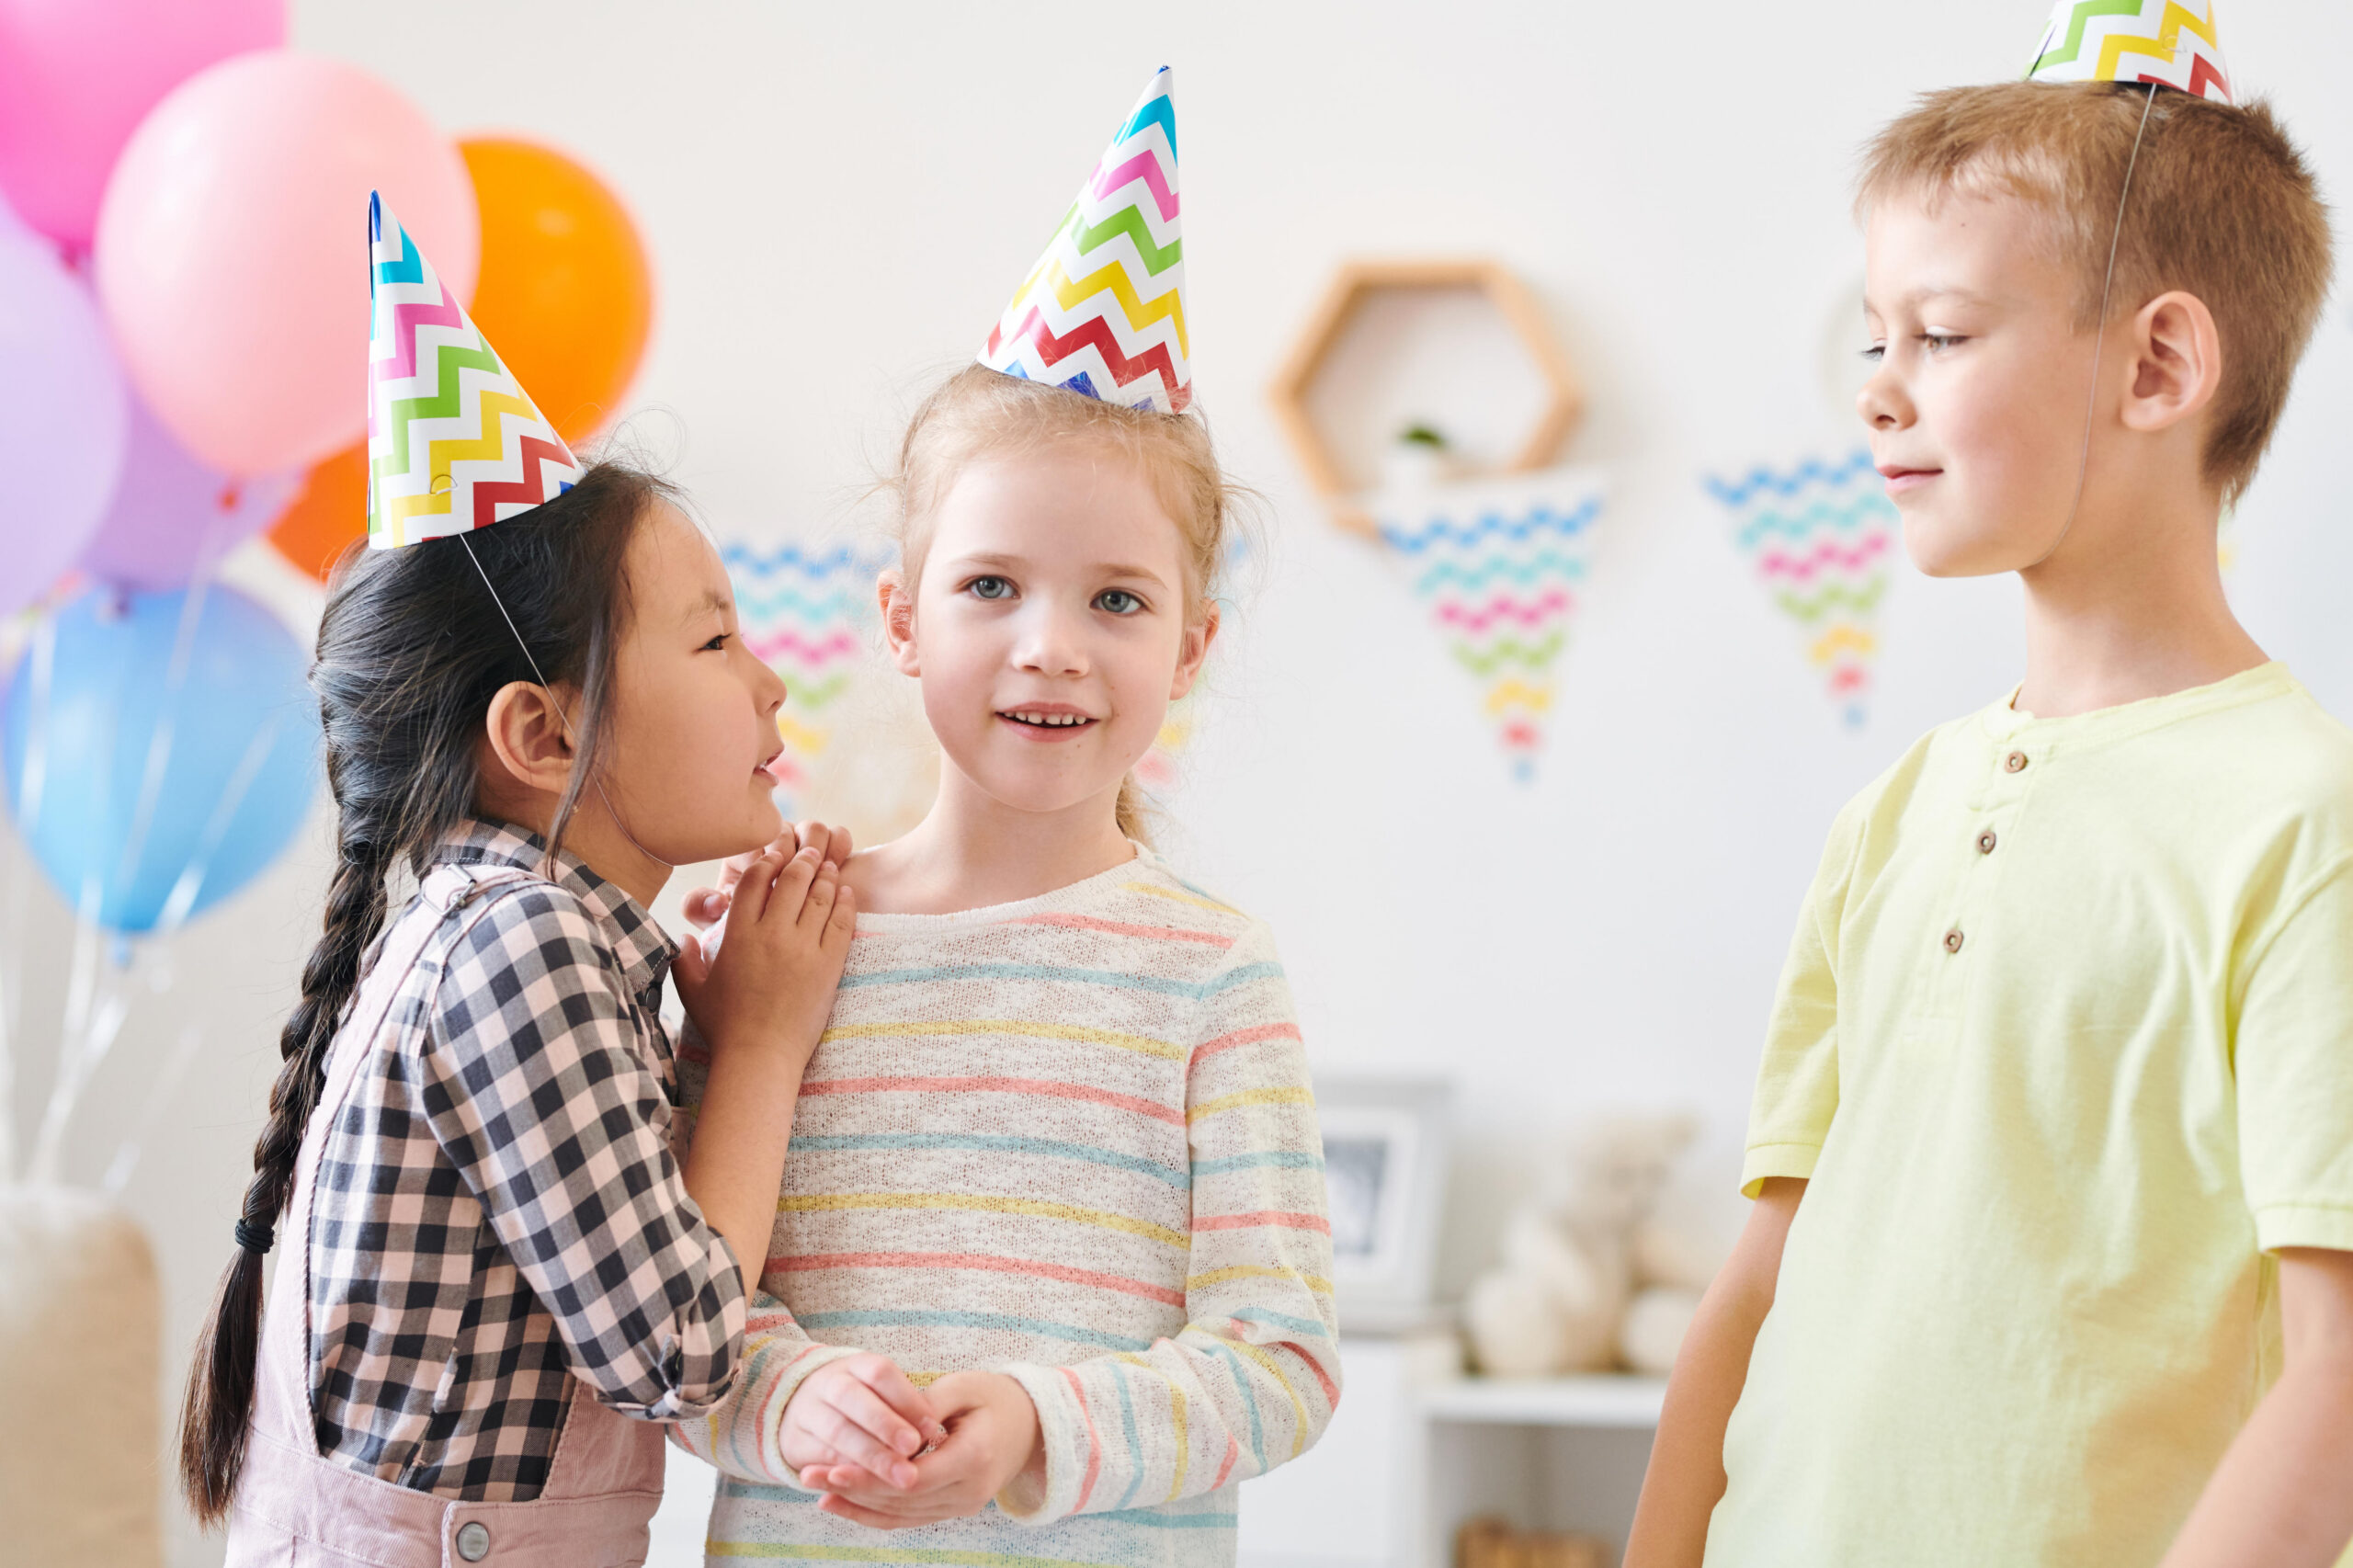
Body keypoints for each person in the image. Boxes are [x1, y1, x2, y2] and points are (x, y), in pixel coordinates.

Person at [1625, 6, 2353, 1565]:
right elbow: (1759, 1278)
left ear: (2159, 362)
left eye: (1940, 336)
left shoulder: (2302, 822)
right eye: (1874, 340)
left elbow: (2337, 1375)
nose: (1880, 392)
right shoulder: (1888, 812)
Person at [666, 68, 1340, 1565]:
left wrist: (1039, 1424)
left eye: (1116, 598)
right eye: (991, 587)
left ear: (1190, 647)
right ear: (902, 621)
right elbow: (678, 1322)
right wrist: (792, 1399)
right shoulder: (788, 941)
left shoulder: (1209, 974)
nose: (1050, 642)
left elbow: (1283, 1362)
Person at [178, 194, 861, 1565]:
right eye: (717, 640)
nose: (774, 678)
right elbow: (677, 1350)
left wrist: (712, 1037)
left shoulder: (503, 924)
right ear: (543, 735)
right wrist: (768, 1043)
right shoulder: (525, 943)